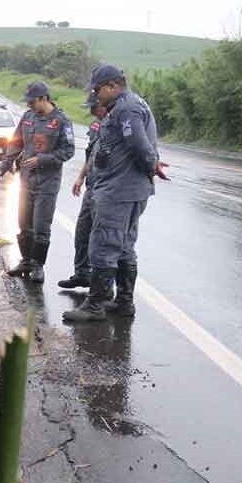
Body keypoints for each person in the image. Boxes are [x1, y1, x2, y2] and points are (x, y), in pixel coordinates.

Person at [63, 65, 158, 322]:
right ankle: (124, 302)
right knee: (125, 246)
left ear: (113, 85)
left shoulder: (126, 108)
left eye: (97, 89)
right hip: (128, 188)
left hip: (119, 190)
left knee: (104, 244)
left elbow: (140, 146)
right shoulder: (128, 105)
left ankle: (95, 305)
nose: (96, 94)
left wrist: (151, 167)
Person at [0, 81, 75, 283]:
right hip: (26, 180)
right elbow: (16, 143)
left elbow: (68, 151)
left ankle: (38, 266)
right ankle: (26, 261)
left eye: (32, 101)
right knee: (23, 223)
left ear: (44, 98)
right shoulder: (28, 118)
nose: (29, 106)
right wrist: (3, 167)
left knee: (41, 225)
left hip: (48, 182)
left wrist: (42, 159)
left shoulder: (61, 121)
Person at [58, 92, 108, 289]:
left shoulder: (116, 125)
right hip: (92, 185)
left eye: (94, 108)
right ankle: (82, 273)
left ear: (104, 105)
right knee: (82, 231)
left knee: (101, 238)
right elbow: (91, 154)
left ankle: (102, 288)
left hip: (106, 189)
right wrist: (81, 176)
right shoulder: (97, 126)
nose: (92, 112)